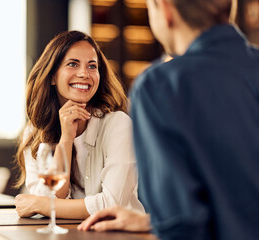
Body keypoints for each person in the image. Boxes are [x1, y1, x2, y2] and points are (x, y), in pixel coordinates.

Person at [78, 0, 259, 239]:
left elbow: (183, 227)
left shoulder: (162, 87)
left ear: (164, 9)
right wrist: (153, 222)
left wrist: (166, 223)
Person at [14, 30, 145, 220]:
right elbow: (47, 199)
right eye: (73, 64)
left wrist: (42, 204)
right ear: (52, 76)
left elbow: (111, 204)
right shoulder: (34, 132)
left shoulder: (119, 125)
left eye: (92, 66)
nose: (84, 73)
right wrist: (66, 140)